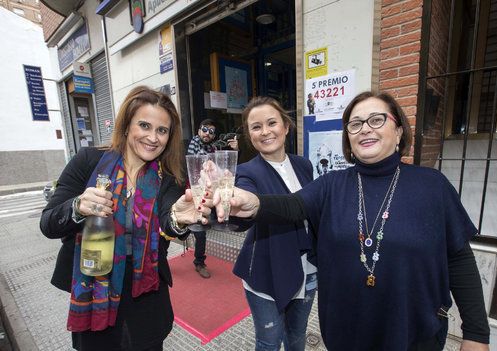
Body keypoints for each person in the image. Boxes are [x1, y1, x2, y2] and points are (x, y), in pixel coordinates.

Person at [214, 91, 491, 350]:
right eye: (355, 124)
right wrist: (254, 203)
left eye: (377, 119)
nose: (365, 128)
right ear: (348, 139)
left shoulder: (433, 186)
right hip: (346, 334)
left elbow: (459, 259)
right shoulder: (332, 185)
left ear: (398, 131)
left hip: (412, 335)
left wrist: (476, 333)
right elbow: (293, 204)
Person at [40, 86, 209, 351]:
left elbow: (169, 217)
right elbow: (48, 223)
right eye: (144, 125)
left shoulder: (169, 178)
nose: (153, 137)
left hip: (147, 293)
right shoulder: (89, 161)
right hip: (96, 288)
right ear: (127, 125)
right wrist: (77, 206)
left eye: (162, 130)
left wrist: (178, 219)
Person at [235, 97, 317, 351]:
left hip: (308, 267)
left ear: (286, 126)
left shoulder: (304, 165)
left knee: (297, 335)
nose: (266, 131)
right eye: (256, 127)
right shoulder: (246, 171)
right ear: (250, 135)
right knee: (269, 341)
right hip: (267, 268)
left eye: (272, 123)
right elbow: (243, 212)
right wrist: (239, 207)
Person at [187, 118, 238, 278]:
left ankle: (199, 261)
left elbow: (225, 168)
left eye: (211, 131)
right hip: (194, 195)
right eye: (204, 129)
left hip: (211, 194)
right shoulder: (190, 147)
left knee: (207, 226)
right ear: (198, 130)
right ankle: (199, 262)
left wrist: (235, 151)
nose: (207, 133)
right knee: (199, 231)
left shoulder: (214, 150)